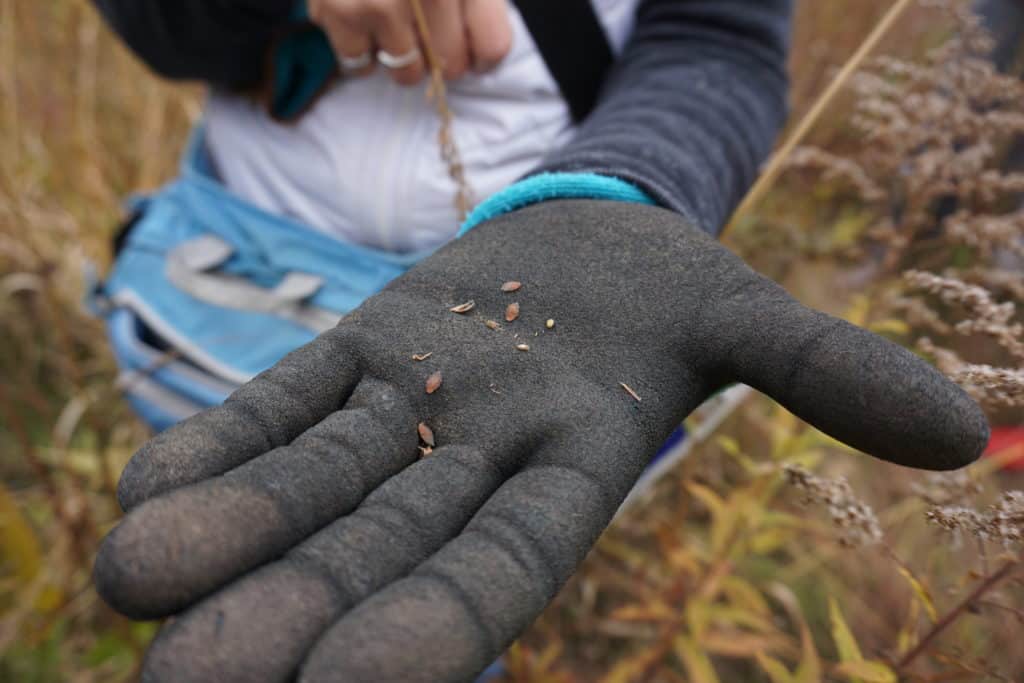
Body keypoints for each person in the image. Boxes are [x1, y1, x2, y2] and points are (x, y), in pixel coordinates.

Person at [89, 1, 991, 682]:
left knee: (415, 614)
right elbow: (161, 29)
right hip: (221, 286)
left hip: (534, 328)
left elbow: (718, 42)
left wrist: (617, 188)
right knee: (201, 543)